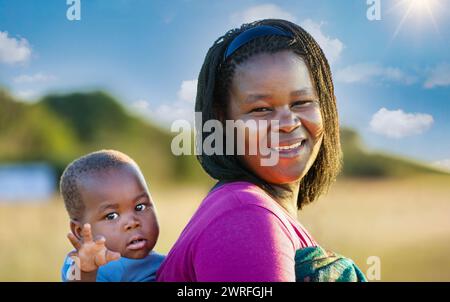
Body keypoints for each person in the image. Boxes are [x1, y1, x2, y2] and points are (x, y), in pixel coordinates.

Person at [157, 19, 364, 281]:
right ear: (223, 121)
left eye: (301, 102)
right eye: (261, 109)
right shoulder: (246, 216)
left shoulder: (252, 211)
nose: (288, 124)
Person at [60, 150, 164, 282]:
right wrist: (86, 270)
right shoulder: (81, 262)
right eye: (111, 216)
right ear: (80, 231)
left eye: (140, 207)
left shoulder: (166, 263)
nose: (132, 222)